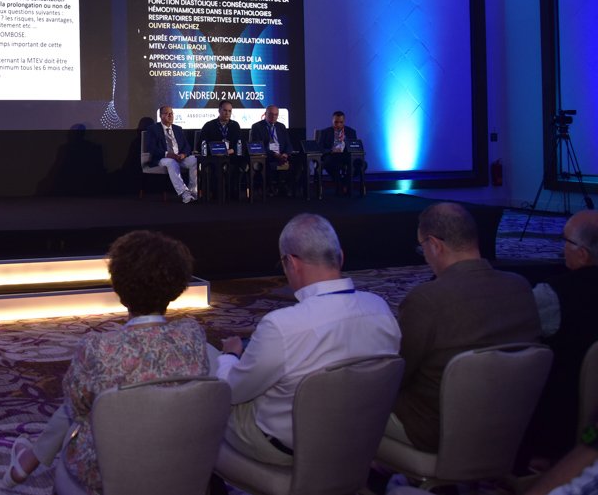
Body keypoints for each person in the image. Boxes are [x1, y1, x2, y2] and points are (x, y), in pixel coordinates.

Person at [3, 230, 210, 491]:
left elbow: (76, 410)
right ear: (178, 286)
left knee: (85, 403)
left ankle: (28, 461)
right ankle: (28, 460)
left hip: (106, 471)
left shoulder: (98, 348)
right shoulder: (192, 335)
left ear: (118, 286)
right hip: (179, 462)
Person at [216, 213, 400, 465]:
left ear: (291, 263)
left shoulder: (282, 326)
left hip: (288, 448)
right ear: (340, 257)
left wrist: (229, 356)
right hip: (357, 435)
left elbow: (232, 391)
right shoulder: (381, 309)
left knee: (212, 373)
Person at [387, 202, 540, 453]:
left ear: (434, 245)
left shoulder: (426, 299)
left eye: (422, 247)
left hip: (436, 428)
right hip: (510, 421)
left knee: (350, 403)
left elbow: (397, 374)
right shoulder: (521, 288)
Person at [524, 210, 598, 463]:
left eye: (565, 241)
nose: (561, 248)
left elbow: (512, 331)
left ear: (583, 254)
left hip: (560, 422)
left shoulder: (552, 295)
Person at [144, 105, 199, 203]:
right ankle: (184, 193)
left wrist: (184, 154)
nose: (170, 116)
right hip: (163, 158)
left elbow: (187, 146)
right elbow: (151, 148)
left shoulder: (178, 129)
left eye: (171, 113)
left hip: (179, 157)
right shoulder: (153, 129)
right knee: (171, 162)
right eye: (166, 113)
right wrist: (167, 154)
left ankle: (192, 191)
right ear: (161, 116)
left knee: (194, 160)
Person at [199, 100, 244, 200]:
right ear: (219, 110)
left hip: (230, 157)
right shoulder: (209, 125)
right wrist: (215, 151)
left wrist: (231, 151)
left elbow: (240, 143)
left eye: (229, 111)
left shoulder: (235, 125)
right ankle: (216, 194)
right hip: (214, 157)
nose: (227, 113)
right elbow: (202, 143)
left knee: (236, 166)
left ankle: (231, 195)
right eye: (225, 110)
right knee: (215, 166)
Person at [249, 105, 296, 196]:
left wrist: (285, 154)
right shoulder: (257, 127)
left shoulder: (281, 126)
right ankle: (270, 188)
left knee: (298, 162)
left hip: (282, 155)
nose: (273, 117)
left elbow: (288, 144)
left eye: (276, 115)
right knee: (265, 162)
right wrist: (274, 154)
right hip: (268, 155)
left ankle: (287, 187)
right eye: (270, 114)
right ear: (265, 114)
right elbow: (258, 146)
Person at [318, 111, 360, 195]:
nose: (338, 125)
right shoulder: (325, 132)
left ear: (344, 121)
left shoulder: (351, 132)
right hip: (332, 155)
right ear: (332, 121)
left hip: (346, 155)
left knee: (361, 164)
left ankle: (343, 183)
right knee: (328, 163)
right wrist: (331, 150)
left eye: (341, 122)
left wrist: (346, 141)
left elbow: (355, 147)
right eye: (336, 122)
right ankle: (340, 185)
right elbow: (320, 148)